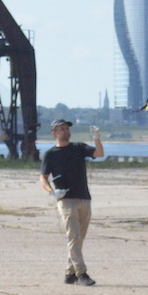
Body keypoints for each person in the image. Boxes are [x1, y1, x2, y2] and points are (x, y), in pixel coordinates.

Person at [41, 118, 104, 285]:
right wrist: (51, 191)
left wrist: (97, 138)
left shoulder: (78, 148)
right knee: (73, 237)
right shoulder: (51, 154)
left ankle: (69, 274)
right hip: (66, 201)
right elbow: (43, 178)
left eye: (67, 129)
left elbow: (99, 154)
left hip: (84, 198)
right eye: (61, 129)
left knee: (79, 238)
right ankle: (81, 274)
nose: (65, 131)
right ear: (54, 133)